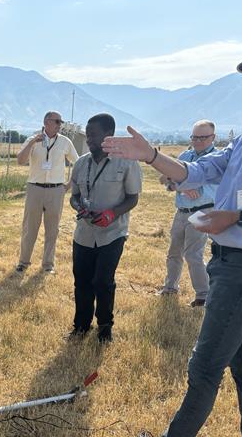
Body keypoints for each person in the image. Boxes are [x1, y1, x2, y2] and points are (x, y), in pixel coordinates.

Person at [103, 42, 242, 437]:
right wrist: (152, 157)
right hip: (229, 260)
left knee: (205, 363)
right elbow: (196, 173)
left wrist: (238, 214)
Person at [69, 113, 141, 343]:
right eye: (87, 135)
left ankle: (104, 327)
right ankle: (80, 326)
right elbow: (74, 197)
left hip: (112, 233)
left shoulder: (127, 162)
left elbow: (132, 198)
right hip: (84, 234)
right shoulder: (81, 163)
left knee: (102, 281)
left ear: (108, 136)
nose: (89, 139)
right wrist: (79, 208)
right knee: (81, 280)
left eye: (93, 135)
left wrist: (111, 214)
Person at [157, 120, 218, 307]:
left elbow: (208, 190)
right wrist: (180, 187)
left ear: (213, 138)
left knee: (193, 254)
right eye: (194, 137)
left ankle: (203, 295)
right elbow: (163, 179)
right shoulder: (186, 155)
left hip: (203, 210)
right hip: (181, 211)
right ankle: (170, 288)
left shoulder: (217, 158)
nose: (197, 141)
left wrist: (179, 183)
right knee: (174, 252)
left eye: (202, 137)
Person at [15, 111, 79, 273]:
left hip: (56, 190)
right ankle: (23, 262)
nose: (59, 125)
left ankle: (48, 265)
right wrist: (32, 144)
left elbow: (78, 164)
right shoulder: (32, 140)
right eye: (57, 121)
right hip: (35, 188)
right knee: (30, 227)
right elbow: (20, 161)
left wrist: (68, 185)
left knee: (52, 229)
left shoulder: (65, 142)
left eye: (60, 122)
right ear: (46, 122)